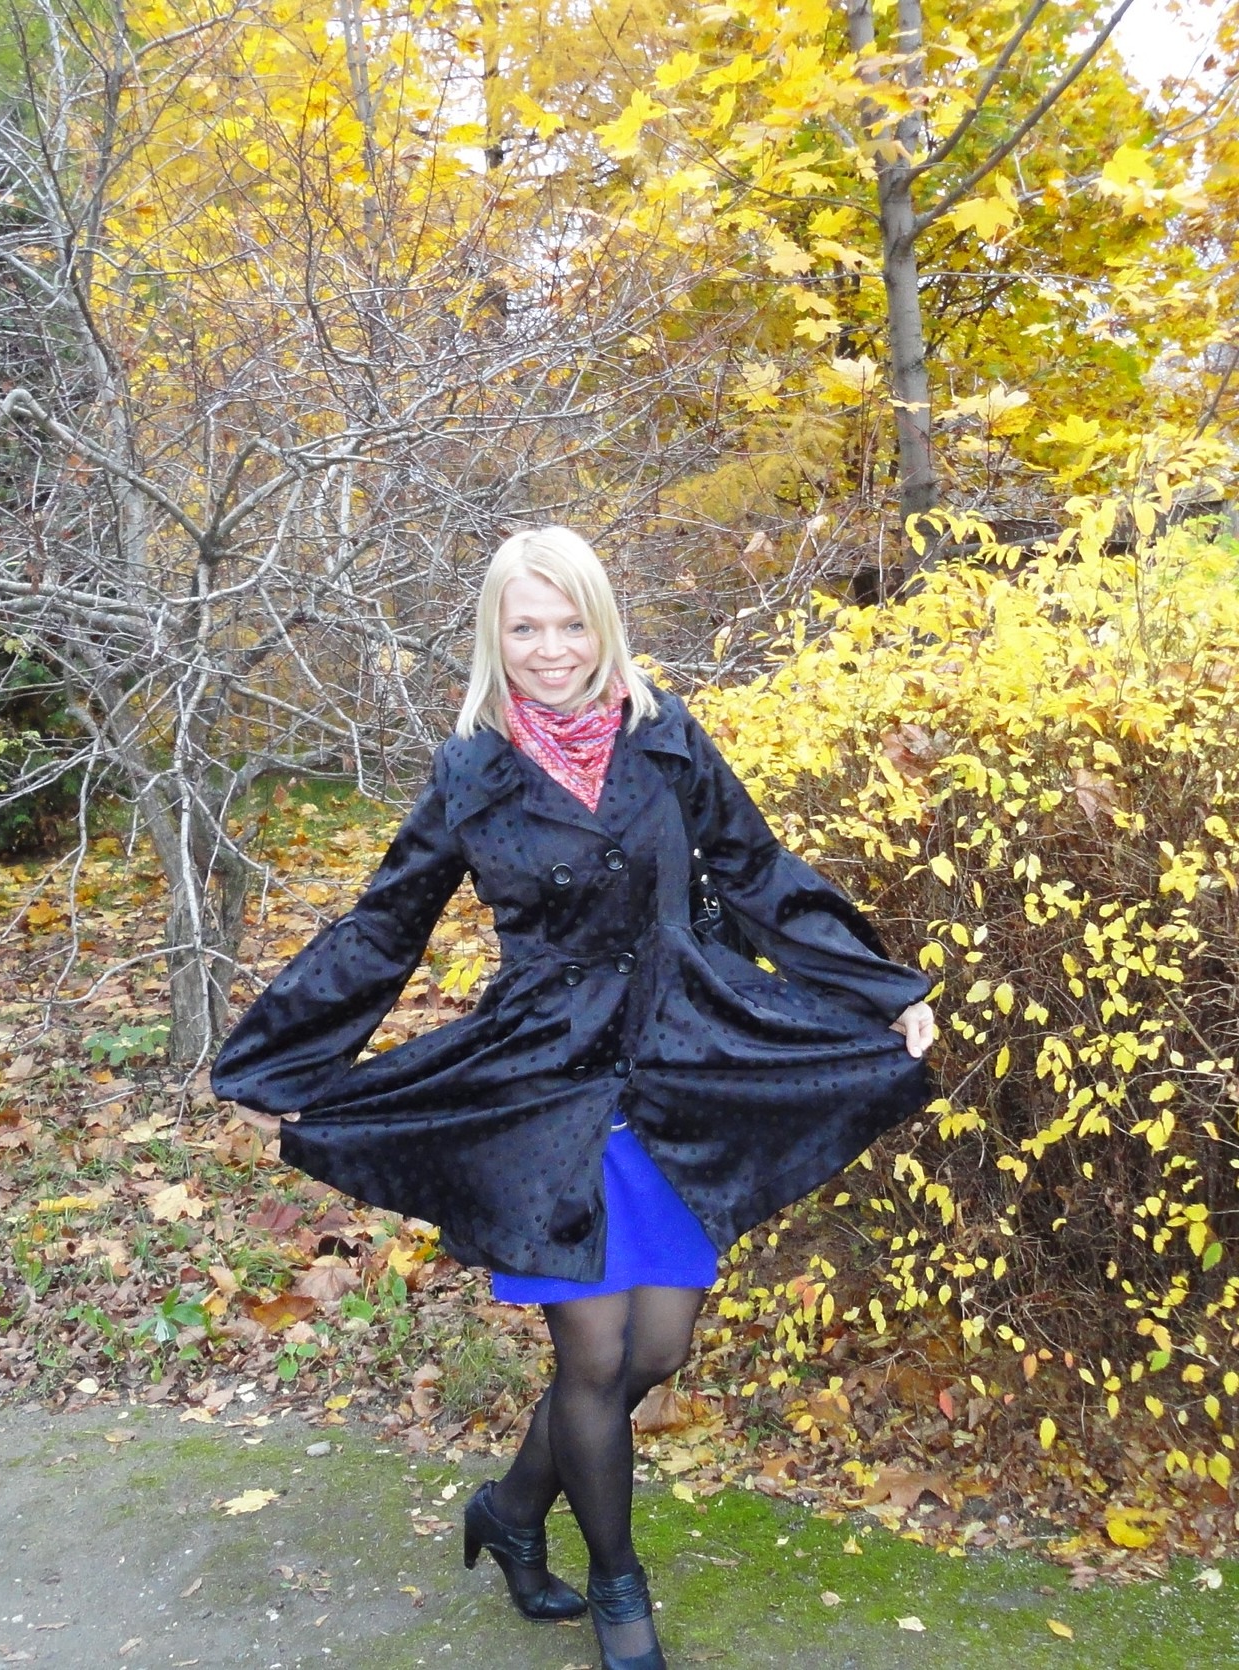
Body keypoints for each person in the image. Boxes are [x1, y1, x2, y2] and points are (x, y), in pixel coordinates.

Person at [211, 526, 936, 1670]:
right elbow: (385, 924)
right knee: (594, 1354)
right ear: (493, 637)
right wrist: (274, 1064)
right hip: (545, 1080)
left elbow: (756, 870)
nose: (550, 648)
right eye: (525, 626)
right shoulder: (472, 769)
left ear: (603, 625)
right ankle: (618, 1587)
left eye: (569, 622)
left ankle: (509, 1507)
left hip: (678, 1058)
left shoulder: (666, 734)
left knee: (658, 1346)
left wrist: (879, 987)